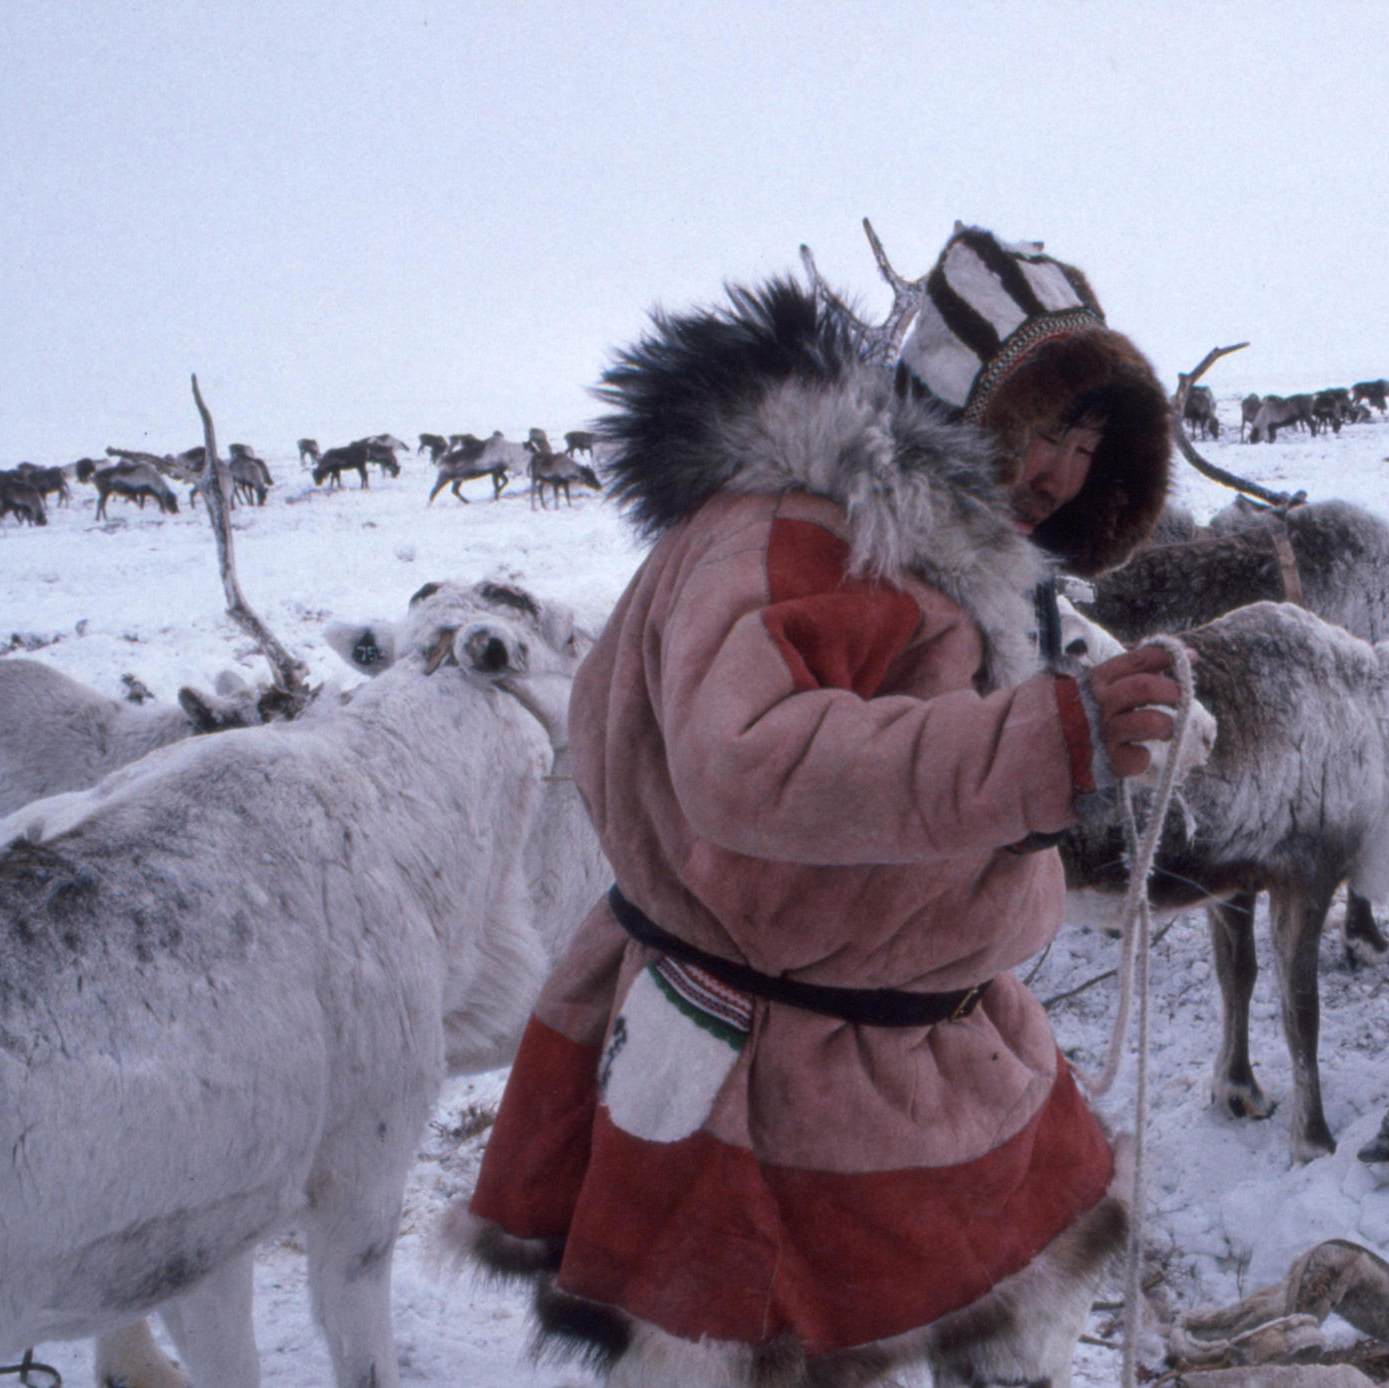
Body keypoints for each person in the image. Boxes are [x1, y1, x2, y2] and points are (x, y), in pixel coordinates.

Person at [457, 225, 1180, 1387]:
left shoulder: (940, 558)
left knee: (999, 1335)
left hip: (917, 1043)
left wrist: (1053, 766)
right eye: (1048, 426)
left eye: (1092, 442)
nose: (1064, 470)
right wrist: (1033, 743)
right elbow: (749, 757)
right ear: (963, 396)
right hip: (759, 1063)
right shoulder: (796, 531)